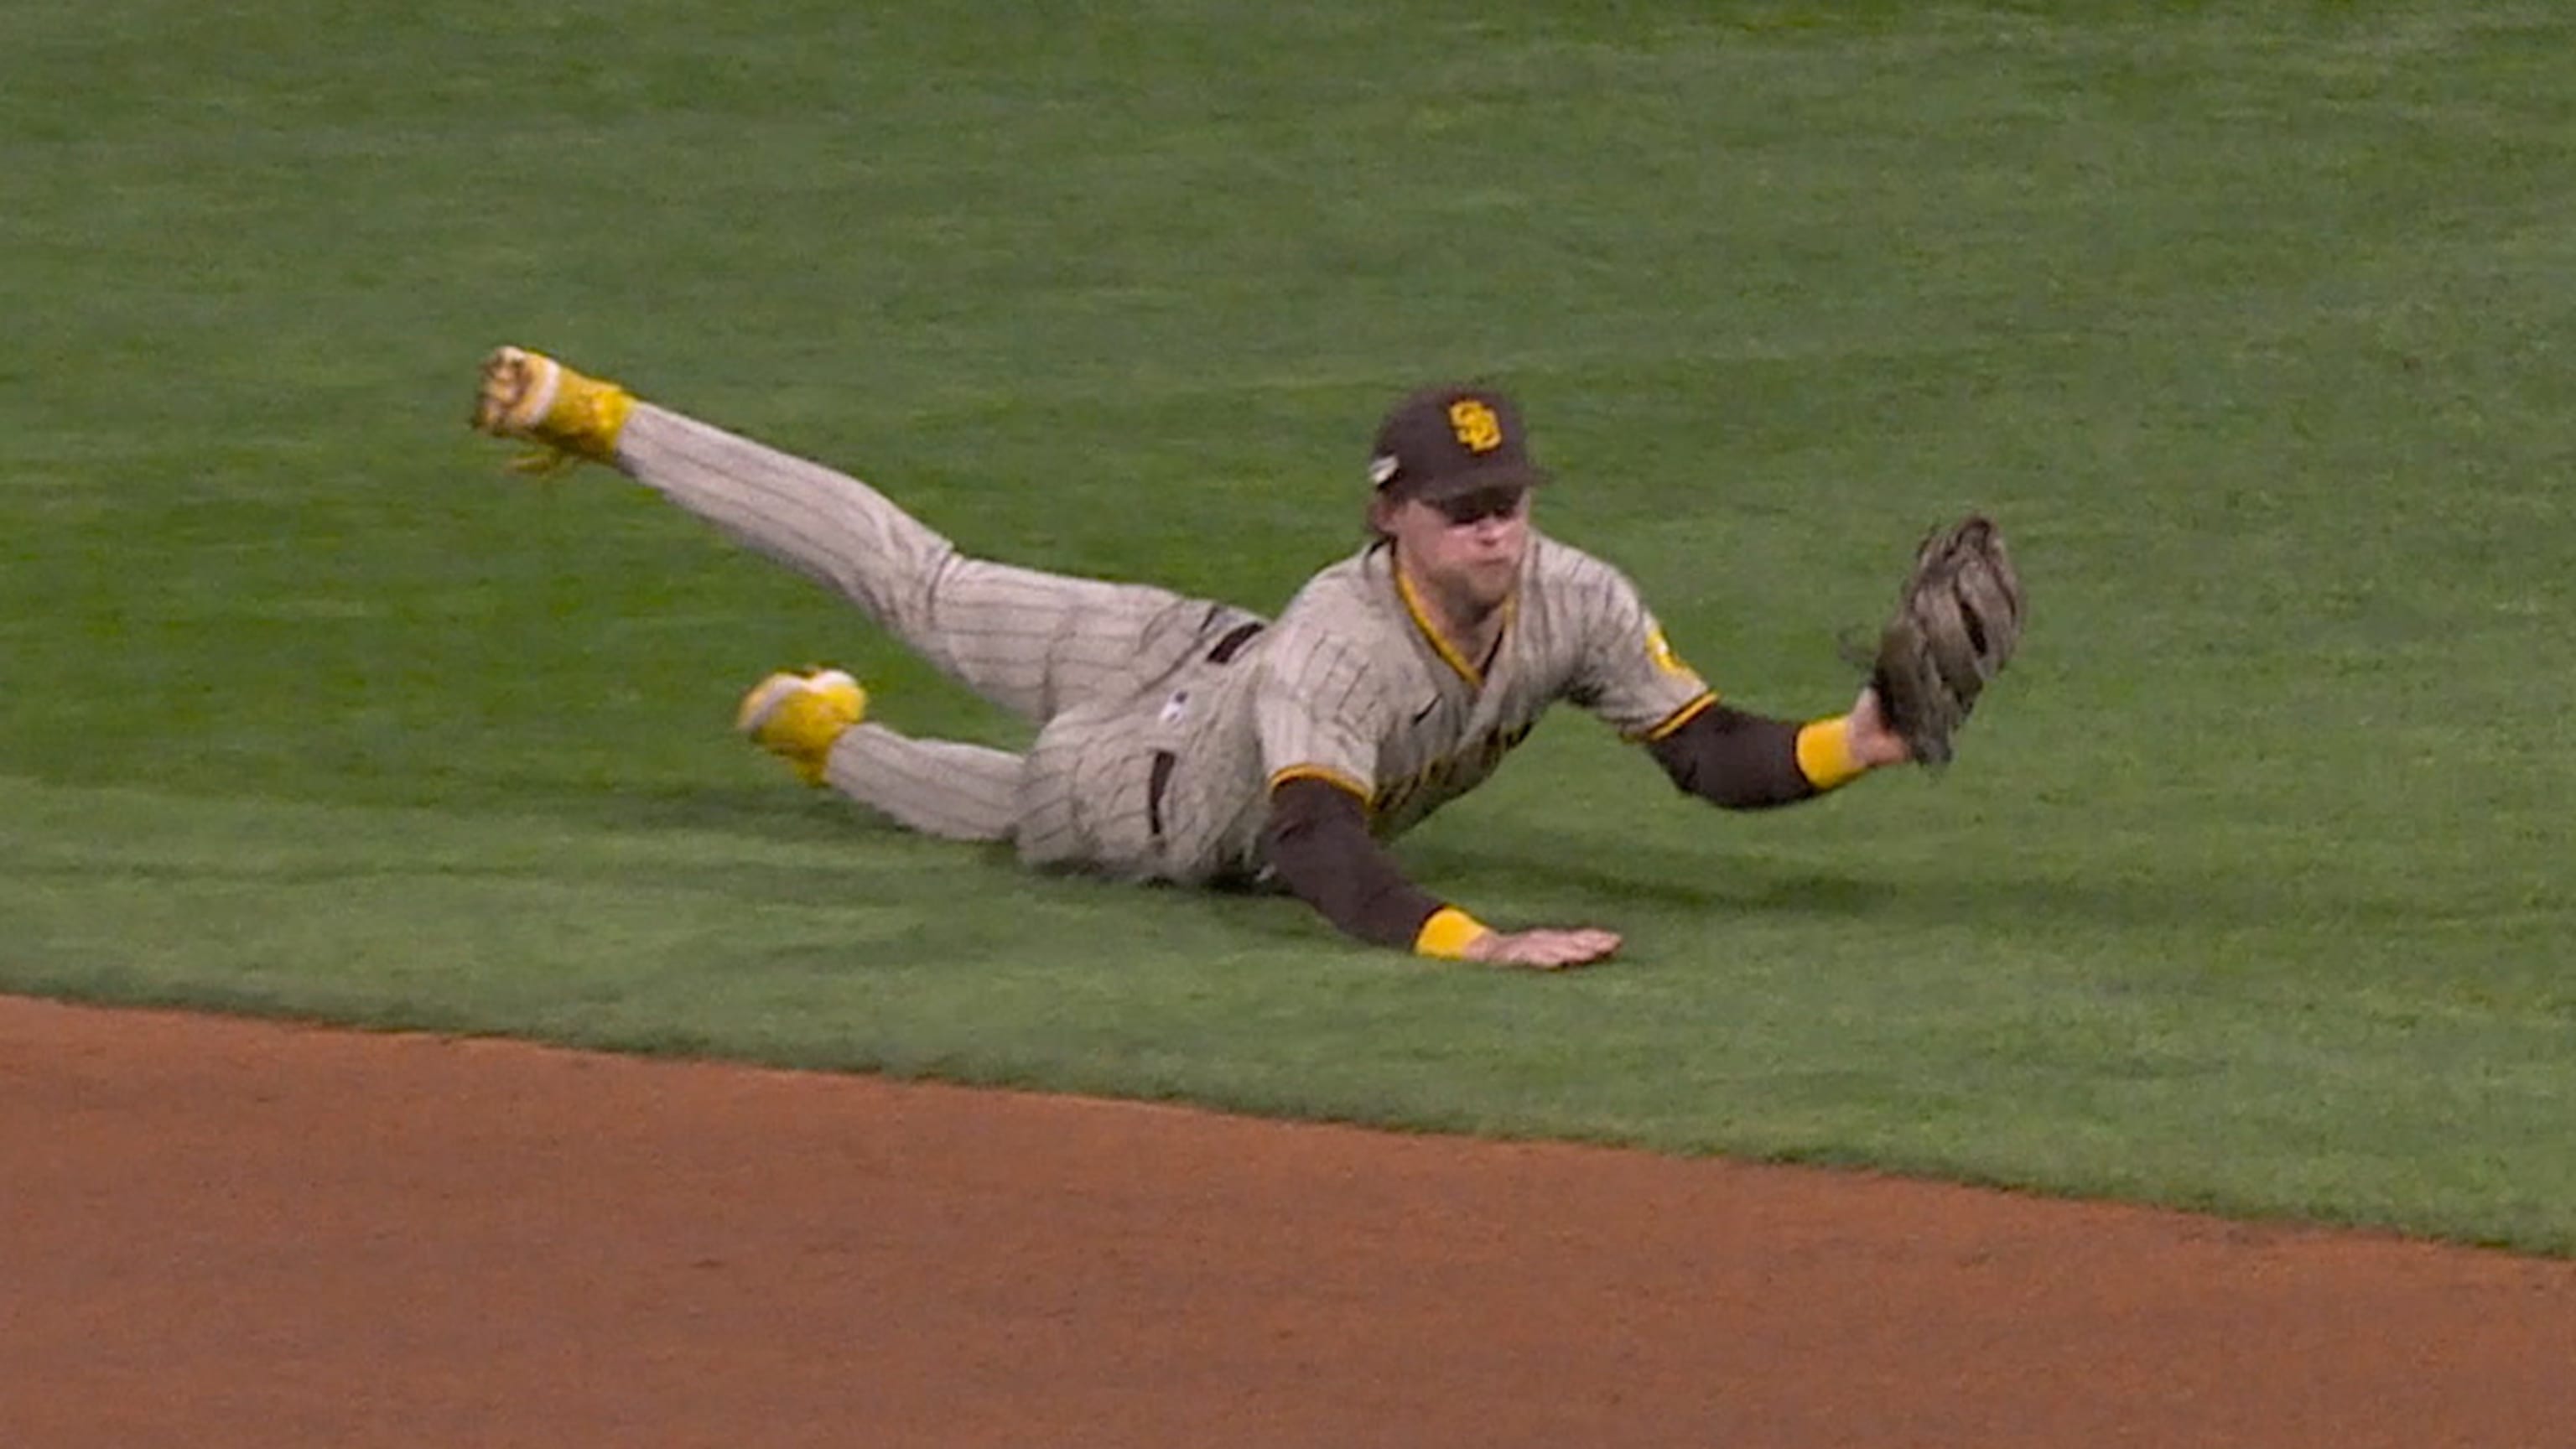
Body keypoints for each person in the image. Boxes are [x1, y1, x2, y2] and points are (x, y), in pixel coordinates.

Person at [470, 347, 1912, 969]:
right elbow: (1323, 852)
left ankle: (832, 745)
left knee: (1013, 807)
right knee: (932, 589)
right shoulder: (1344, 648)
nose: (1495, 525)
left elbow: (1707, 747)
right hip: (1173, 753)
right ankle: (603, 420)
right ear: (1392, 516)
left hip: (1181, 711)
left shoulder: (1579, 598)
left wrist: (1863, 738)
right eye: (1462, 507)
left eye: (1511, 499)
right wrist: (1479, 944)